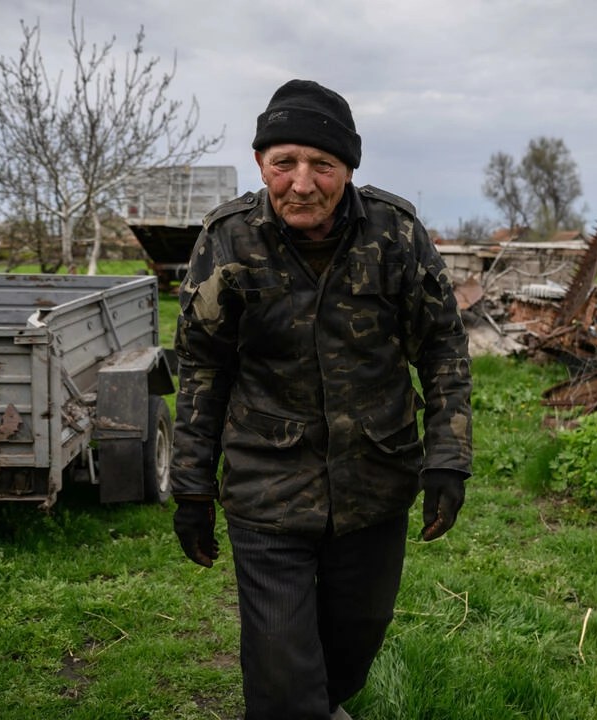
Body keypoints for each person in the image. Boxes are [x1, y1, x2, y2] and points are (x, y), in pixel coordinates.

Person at [170, 78, 473, 720]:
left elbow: (442, 347)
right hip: (267, 484)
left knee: (351, 646)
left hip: (375, 479)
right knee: (282, 668)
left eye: (322, 165)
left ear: (349, 170)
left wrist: (450, 457)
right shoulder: (227, 241)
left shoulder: (395, 234)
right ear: (262, 165)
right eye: (285, 163)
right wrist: (192, 487)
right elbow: (201, 366)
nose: (302, 183)